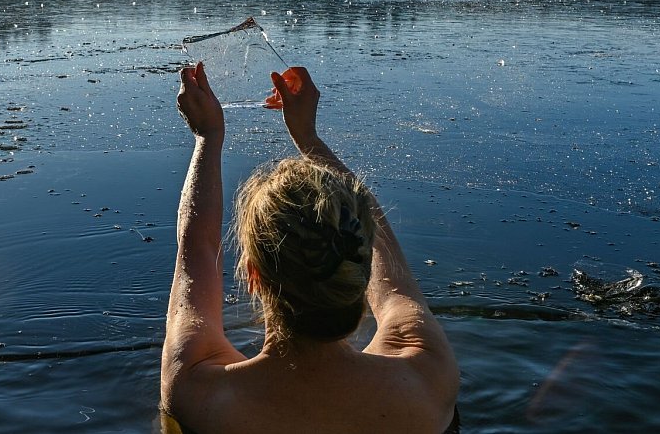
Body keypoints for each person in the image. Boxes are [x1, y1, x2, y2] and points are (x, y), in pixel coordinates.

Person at [161, 63, 459, 434]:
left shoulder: (201, 393)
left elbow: (197, 250)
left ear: (253, 273)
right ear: (361, 268)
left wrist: (208, 136)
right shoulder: (427, 376)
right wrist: (307, 137)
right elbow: (384, 254)